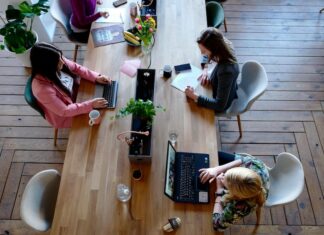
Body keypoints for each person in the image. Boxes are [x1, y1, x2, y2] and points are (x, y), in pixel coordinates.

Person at [30, 42, 111, 128]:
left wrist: (96, 77)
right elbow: (64, 111)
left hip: (77, 96)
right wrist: (91, 104)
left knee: (105, 109)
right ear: (47, 67)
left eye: (61, 57)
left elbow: (76, 68)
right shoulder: (42, 90)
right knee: (102, 121)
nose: (63, 62)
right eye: (58, 61)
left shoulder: (56, 59)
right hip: (66, 114)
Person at [199, 151, 270, 231]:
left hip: (249, 198)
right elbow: (243, 159)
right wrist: (217, 169)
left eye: (225, 182)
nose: (222, 176)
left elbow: (217, 226)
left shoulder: (240, 207)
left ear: (235, 195)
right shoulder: (256, 166)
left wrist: (219, 191)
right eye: (226, 174)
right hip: (255, 187)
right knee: (214, 154)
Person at [185, 27, 239, 113]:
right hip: (221, 85)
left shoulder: (226, 71)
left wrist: (193, 95)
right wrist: (205, 69)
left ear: (214, 49)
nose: (202, 54)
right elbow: (205, 56)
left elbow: (219, 105)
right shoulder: (223, 44)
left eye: (204, 51)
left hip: (220, 101)